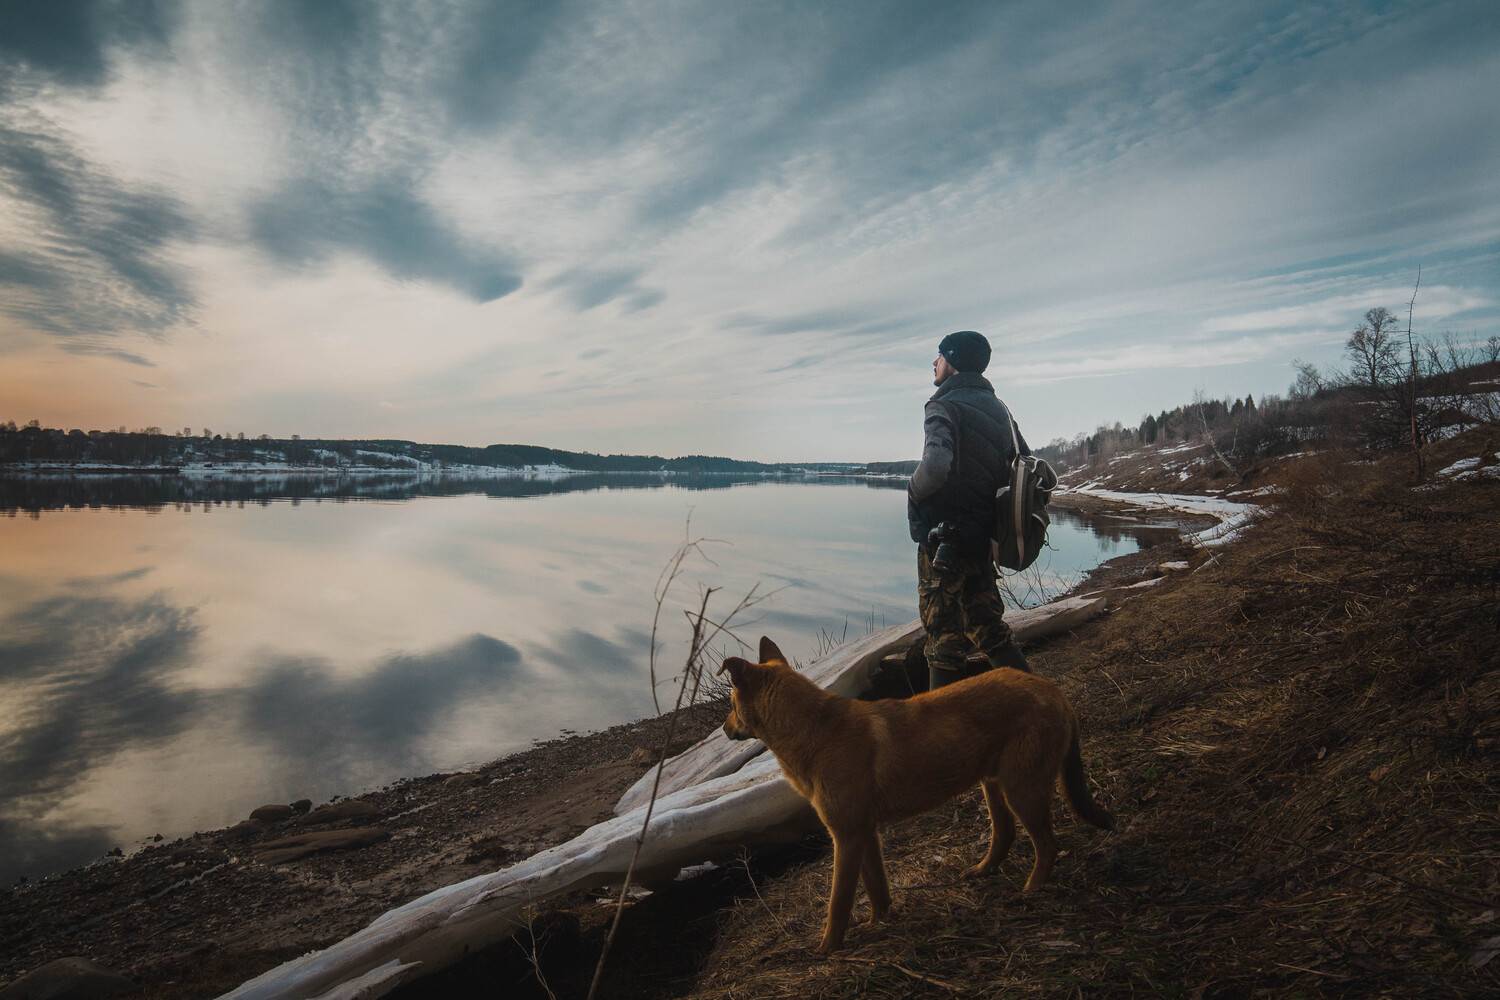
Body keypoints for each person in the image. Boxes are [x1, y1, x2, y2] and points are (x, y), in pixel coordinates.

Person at [907, 330, 1032, 689]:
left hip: (943, 540)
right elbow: (1023, 461)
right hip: (981, 538)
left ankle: (939, 730)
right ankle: (1037, 703)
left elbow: (934, 466)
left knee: (943, 638)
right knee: (989, 627)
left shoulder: (943, 405)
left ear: (954, 361)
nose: (934, 362)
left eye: (940, 356)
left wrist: (912, 490)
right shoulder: (999, 409)